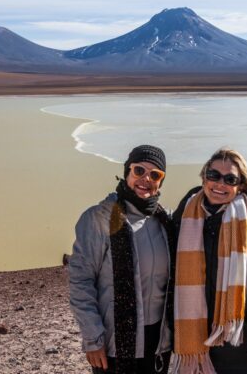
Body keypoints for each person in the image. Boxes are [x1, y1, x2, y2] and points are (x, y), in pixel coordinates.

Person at [172, 148, 247, 374]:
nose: (220, 184)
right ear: (204, 176)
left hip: (239, 353)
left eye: (230, 179)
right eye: (214, 175)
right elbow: (171, 269)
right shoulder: (187, 213)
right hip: (193, 343)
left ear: (241, 185)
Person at [69, 145, 175, 374]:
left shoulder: (166, 223)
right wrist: (93, 339)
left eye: (155, 175)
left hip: (159, 343)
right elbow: (81, 282)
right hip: (114, 344)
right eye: (139, 170)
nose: (145, 179)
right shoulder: (99, 219)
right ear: (127, 172)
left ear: (161, 182)